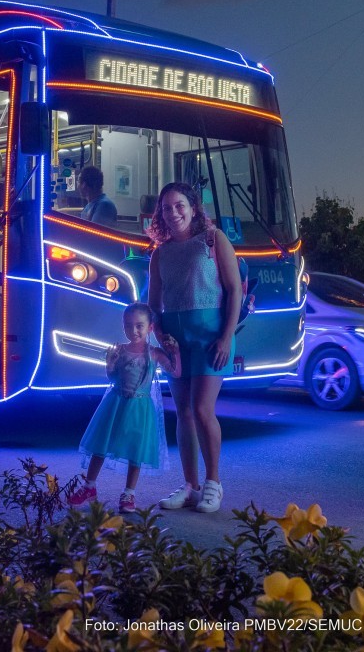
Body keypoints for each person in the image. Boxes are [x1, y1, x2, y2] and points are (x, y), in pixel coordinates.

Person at [147, 182, 242, 513]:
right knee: (183, 412)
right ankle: (190, 485)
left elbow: (234, 290)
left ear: (193, 207)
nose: (173, 213)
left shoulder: (214, 240)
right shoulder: (160, 252)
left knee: (202, 409)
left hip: (210, 336)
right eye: (166, 208)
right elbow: (153, 305)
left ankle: (213, 483)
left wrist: (227, 336)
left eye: (179, 205)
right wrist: (159, 335)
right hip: (175, 339)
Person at [68, 303, 181, 513]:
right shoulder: (119, 350)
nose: (134, 331)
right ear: (123, 327)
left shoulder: (154, 353)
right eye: (129, 326)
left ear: (150, 327)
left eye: (139, 326)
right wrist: (109, 366)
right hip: (116, 403)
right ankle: (89, 486)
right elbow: (113, 378)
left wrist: (175, 353)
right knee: (101, 444)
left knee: (135, 449)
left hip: (140, 408)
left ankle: (129, 492)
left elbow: (175, 372)